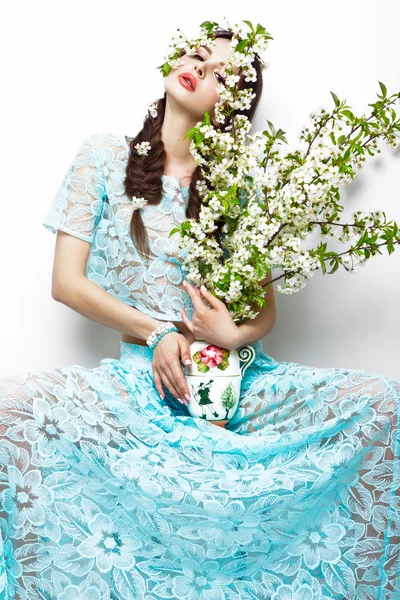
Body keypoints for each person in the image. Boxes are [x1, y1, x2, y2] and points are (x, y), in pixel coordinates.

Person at [0, 27, 399, 600]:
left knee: (384, 403)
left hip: (234, 378)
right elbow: (66, 283)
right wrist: (156, 329)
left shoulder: (239, 184)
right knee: (12, 409)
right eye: (198, 55)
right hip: (141, 383)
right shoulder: (103, 156)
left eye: (220, 75)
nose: (201, 68)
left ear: (228, 105)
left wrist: (233, 333)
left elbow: (263, 315)